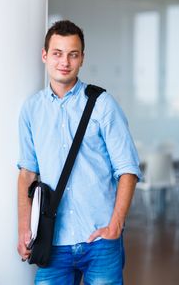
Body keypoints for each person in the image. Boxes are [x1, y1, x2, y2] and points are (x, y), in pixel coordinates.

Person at [17, 20, 141, 285]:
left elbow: (128, 169)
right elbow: (27, 173)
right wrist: (24, 230)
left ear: (82, 59)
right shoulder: (31, 110)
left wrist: (115, 226)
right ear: (45, 56)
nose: (65, 61)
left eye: (73, 54)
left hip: (100, 240)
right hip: (53, 243)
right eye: (57, 53)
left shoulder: (102, 105)